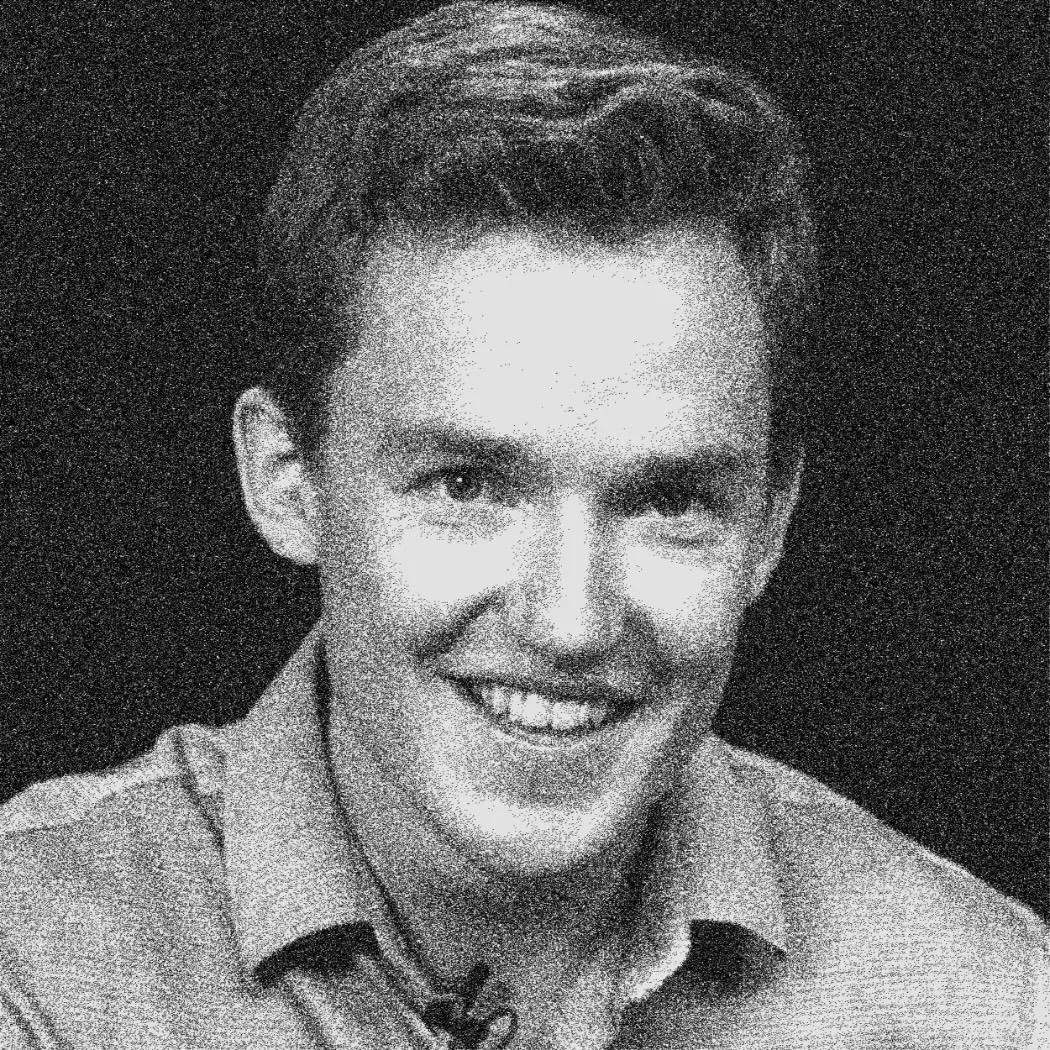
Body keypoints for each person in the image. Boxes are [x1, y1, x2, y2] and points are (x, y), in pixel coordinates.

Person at [0, 2, 1045, 1048]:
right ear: (287, 480)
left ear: (771, 524)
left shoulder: (986, 1000)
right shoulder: (37, 962)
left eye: (669, 500)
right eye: (468, 485)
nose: (571, 622)